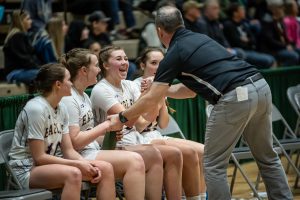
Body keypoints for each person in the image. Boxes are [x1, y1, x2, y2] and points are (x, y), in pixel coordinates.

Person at [108, 6, 293, 200]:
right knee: (268, 157)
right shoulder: (201, 38)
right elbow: (189, 91)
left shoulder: (174, 53)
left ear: (159, 30)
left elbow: (153, 98)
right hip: (261, 86)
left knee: (213, 164)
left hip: (235, 96)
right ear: (182, 23)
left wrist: (122, 117)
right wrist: (162, 88)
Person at [8, 63, 117, 200]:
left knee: (105, 168)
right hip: (26, 169)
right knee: (74, 174)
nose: (71, 84)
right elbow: (39, 158)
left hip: (51, 164)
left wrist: (85, 164)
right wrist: (78, 164)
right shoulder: (36, 109)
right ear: (58, 84)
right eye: (69, 80)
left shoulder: (61, 109)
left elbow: (69, 151)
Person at [91, 46, 183, 200]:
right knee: (155, 155)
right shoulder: (102, 90)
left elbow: (143, 122)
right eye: (119, 59)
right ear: (106, 65)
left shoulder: (129, 85)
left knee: (174, 153)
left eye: (126, 58)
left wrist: (156, 95)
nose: (125, 62)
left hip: (134, 138)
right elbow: (129, 120)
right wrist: (150, 94)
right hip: (111, 144)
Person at [60, 48, 146, 200]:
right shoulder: (69, 99)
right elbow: (75, 143)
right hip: (74, 156)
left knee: (138, 158)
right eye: (96, 65)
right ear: (84, 70)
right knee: (134, 160)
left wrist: (106, 134)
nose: (99, 69)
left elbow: (87, 136)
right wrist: (106, 126)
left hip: (88, 150)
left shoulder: (84, 95)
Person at [134, 46, 207, 200]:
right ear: (142, 65)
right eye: (153, 63)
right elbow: (140, 125)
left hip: (156, 133)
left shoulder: (160, 86)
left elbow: (163, 124)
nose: (158, 67)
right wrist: (154, 95)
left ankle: (201, 197)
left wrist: (159, 95)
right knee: (188, 153)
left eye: (162, 63)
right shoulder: (135, 86)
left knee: (203, 151)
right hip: (140, 137)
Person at [223, 3, 276, 68]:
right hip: (241, 52)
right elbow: (237, 43)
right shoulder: (228, 25)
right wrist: (248, 42)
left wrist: (247, 40)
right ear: (235, 13)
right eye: (241, 10)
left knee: (272, 59)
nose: (244, 11)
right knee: (268, 60)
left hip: (250, 50)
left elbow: (253, 39)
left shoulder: (243, 23)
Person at [3, 10, 40, 84]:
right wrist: (40, 68)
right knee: (48, 74)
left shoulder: (19, 34)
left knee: (48, 73)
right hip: (15, 73)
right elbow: (24, 59)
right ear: (21, 21)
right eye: (28, 19)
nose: (31, 21)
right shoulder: (17, 36)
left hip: (22, 71)